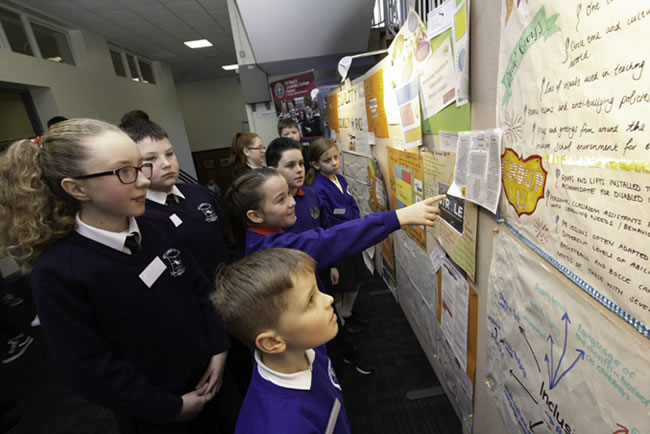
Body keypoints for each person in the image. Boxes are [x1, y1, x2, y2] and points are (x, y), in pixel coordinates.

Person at [0, 119, 234, 434]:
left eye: (140, 167)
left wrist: (219, 349)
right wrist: (170, 408)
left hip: (216, 381)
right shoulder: (59, 272)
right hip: (160, 413)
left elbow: (199, 291)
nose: (141, 180)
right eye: (125, 172)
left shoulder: (157, 227)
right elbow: (88, 367)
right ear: (77, 188)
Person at [212, 248, 350, 433]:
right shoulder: (281, 425)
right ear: (272, 343)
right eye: (310, 300)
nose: (329, 299)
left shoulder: (308, 346)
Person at [121, 118, 237, 279]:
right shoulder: (137, 215)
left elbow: (228, 240)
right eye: (151, 159)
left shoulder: (199, 193)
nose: (166, 164)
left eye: (169, 154)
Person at [306, 138, 377, 332]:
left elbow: (351, 203)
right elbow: (327, 219)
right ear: (315, 165)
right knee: (341, 285)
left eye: (336, 157)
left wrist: (354, 220)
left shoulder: (340, 178)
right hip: (337, 241)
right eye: (327, 160)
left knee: (359, 278)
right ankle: (341, 321)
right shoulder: (317, 188)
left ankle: (346, 313)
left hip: (352, 236)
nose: (334, 163)